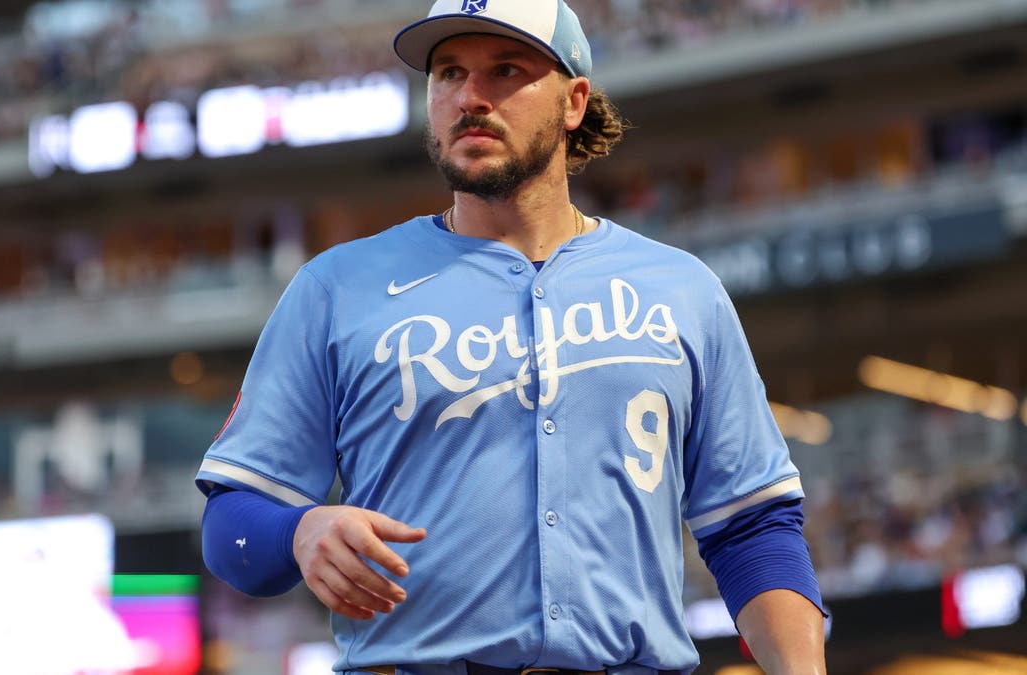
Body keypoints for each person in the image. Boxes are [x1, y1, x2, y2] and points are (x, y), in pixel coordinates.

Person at [196, 1, 827, 673]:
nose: (470, 97)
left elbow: (751, 525)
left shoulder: (681, 289)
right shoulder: (336, 289)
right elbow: (231, 519)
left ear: (574, 101)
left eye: (504, 69)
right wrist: (299, 530)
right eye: (448, 73)